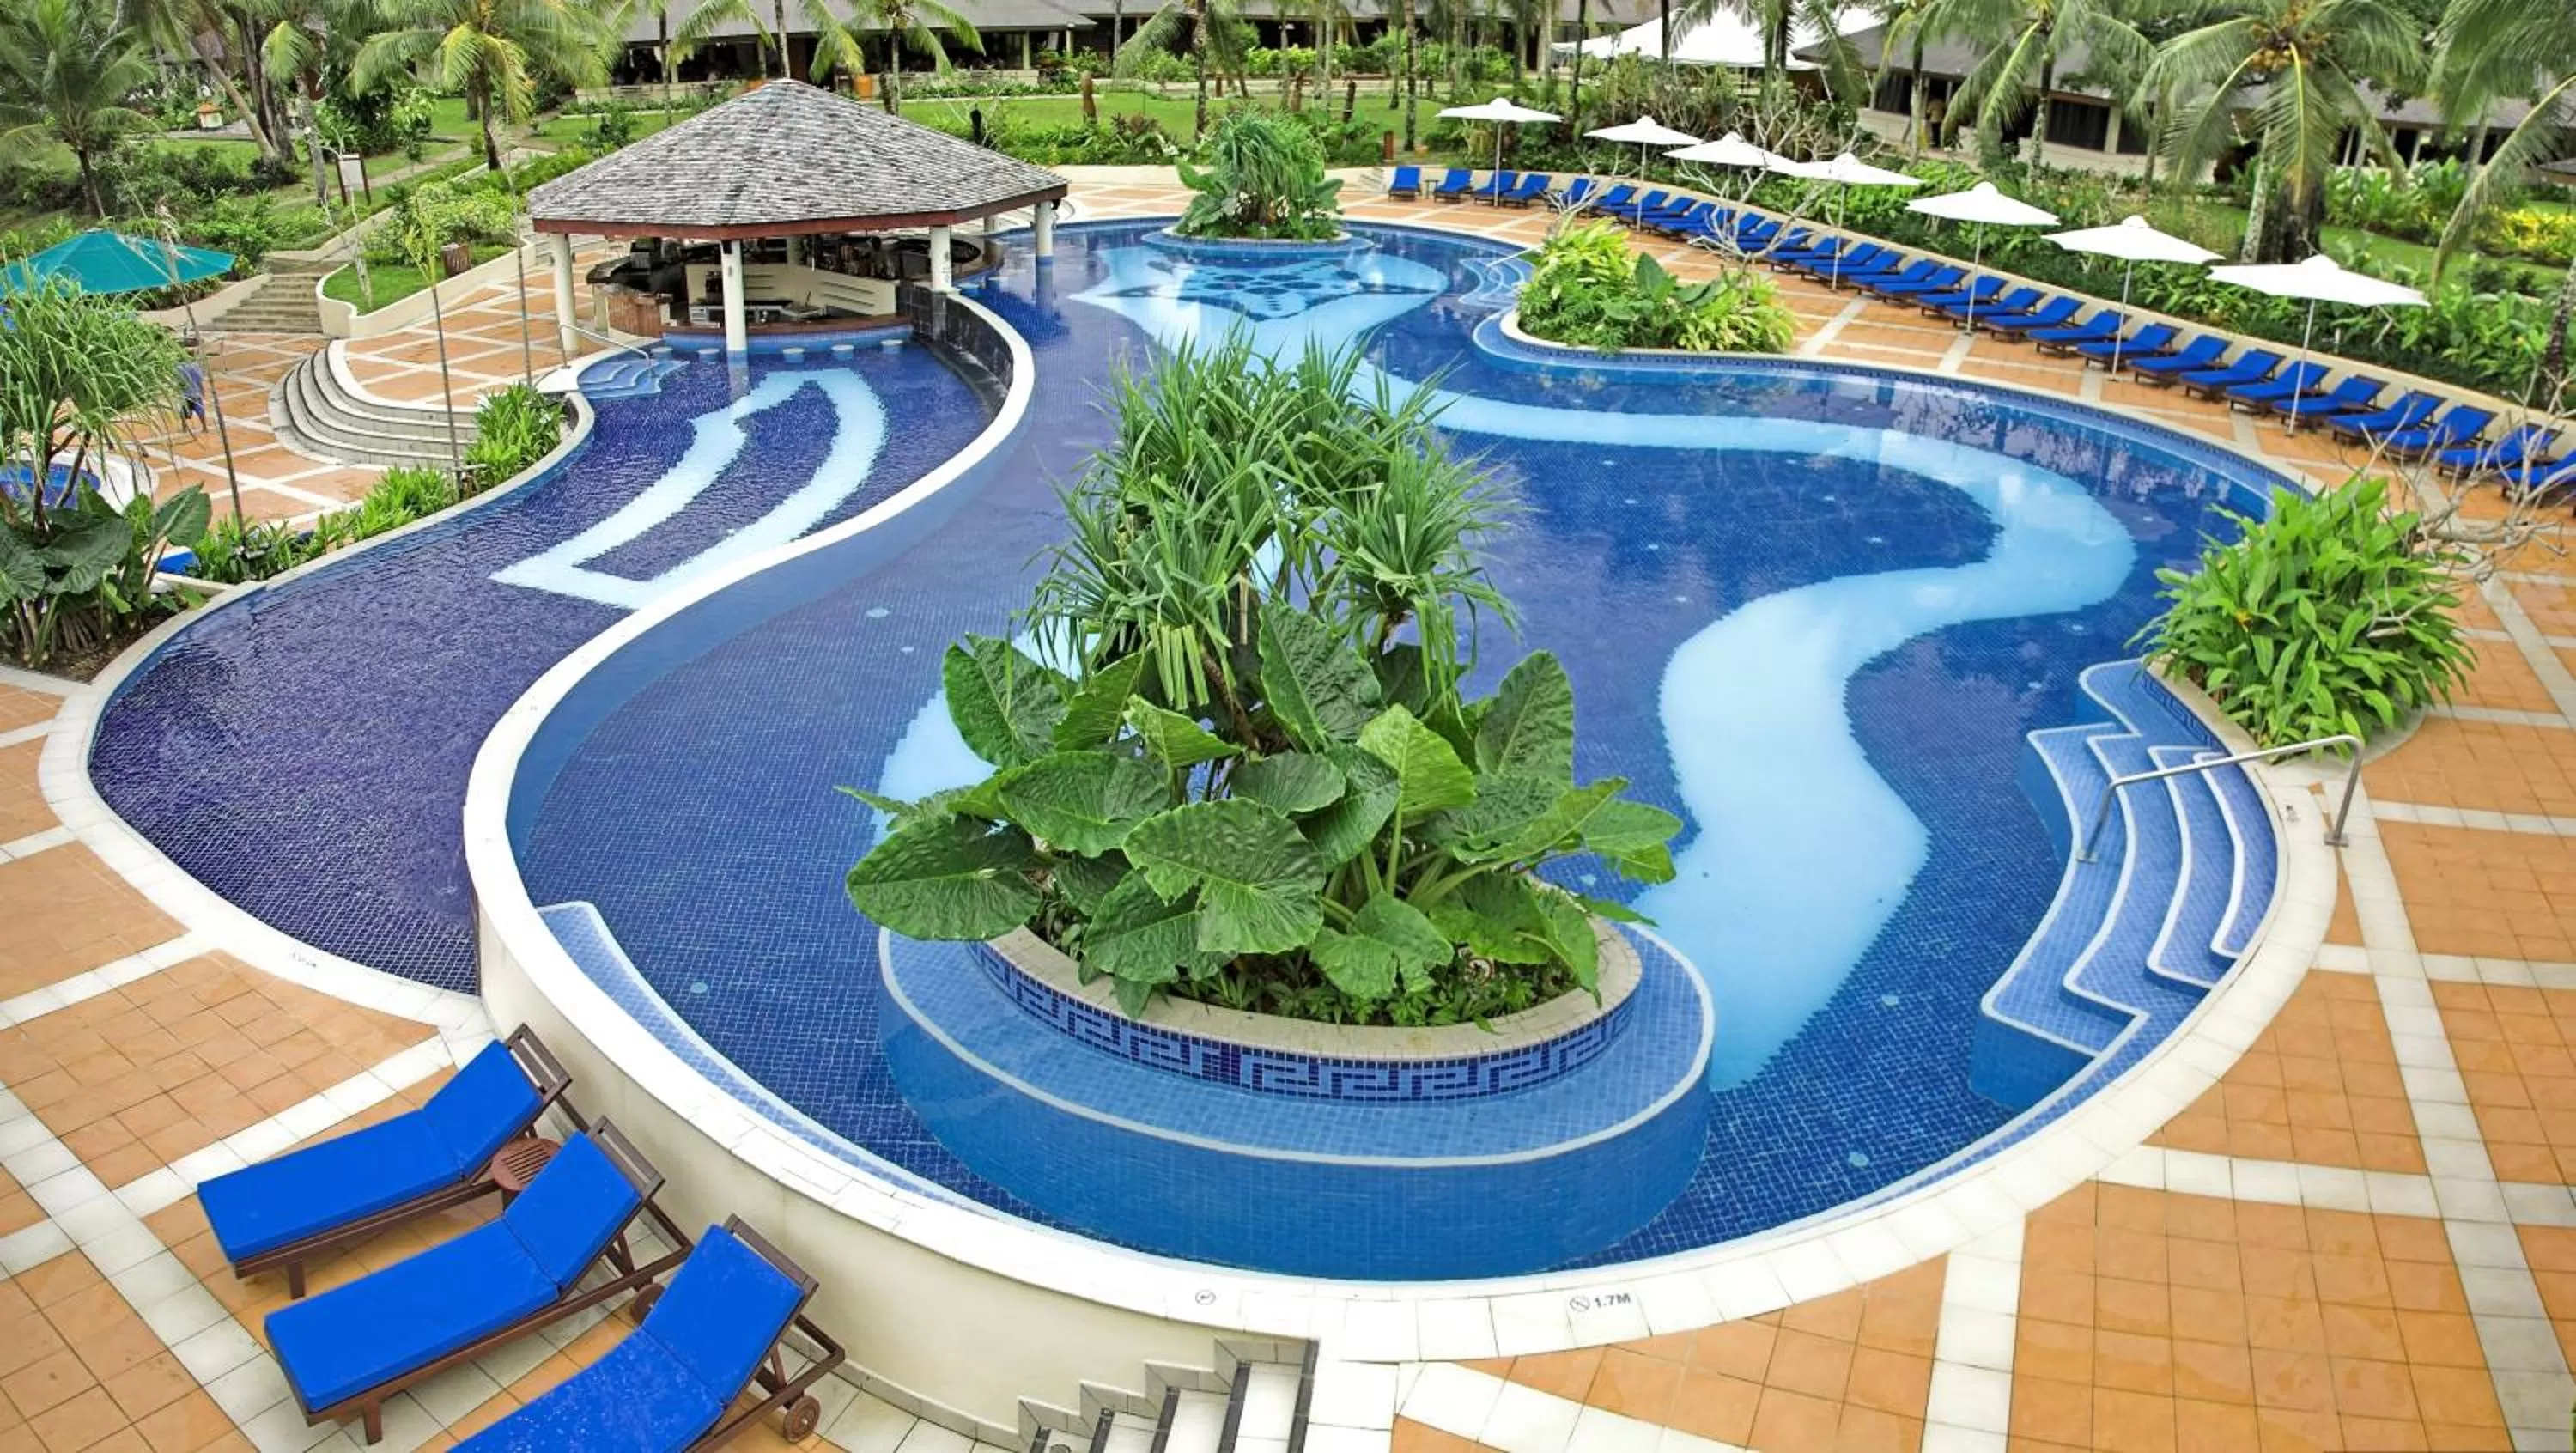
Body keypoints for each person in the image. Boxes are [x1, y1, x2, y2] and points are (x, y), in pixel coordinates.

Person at [177, 358, 207, 435]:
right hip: (196, 393)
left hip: (186, 394)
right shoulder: (195, 366)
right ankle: (205, 427)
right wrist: (202, 391)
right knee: (200, 411)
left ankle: (184, 428)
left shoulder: (180, 367)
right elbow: (199, 380)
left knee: (183, 412)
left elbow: (179, 382)